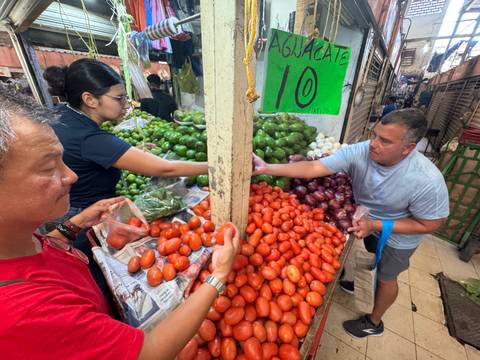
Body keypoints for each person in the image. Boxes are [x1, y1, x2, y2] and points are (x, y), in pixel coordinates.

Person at [0, 85, 239, 359]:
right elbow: (146, 353)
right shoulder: (23, 313)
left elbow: (37, 255)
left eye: (62, 161)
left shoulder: (20, 239)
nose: (72, 176)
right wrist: (218, 276)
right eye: (47, 168)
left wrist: (73, 225)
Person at [253, 108, 449, 338]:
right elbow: (316, 167)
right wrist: (267, 168)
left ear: (408, 148)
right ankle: (360, 280)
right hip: (366, 219)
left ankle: (374, 322)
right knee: (370, 255)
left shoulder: (427, 180)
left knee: (387, 276)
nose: (374, 144)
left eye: (385, 141)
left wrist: (375, 225)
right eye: (374, 135)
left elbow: (431, 224)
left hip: (400, 233)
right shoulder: (362, 150)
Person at [49, 59, 206, 223]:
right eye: (119, 98)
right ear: (90, 99)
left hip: (62, 207)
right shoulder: (90, 137)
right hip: (83, 215)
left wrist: (130, 151)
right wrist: (210, 167)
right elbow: (165, 169)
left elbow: (84, 153)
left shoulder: (63, 114)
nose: (126, 105)